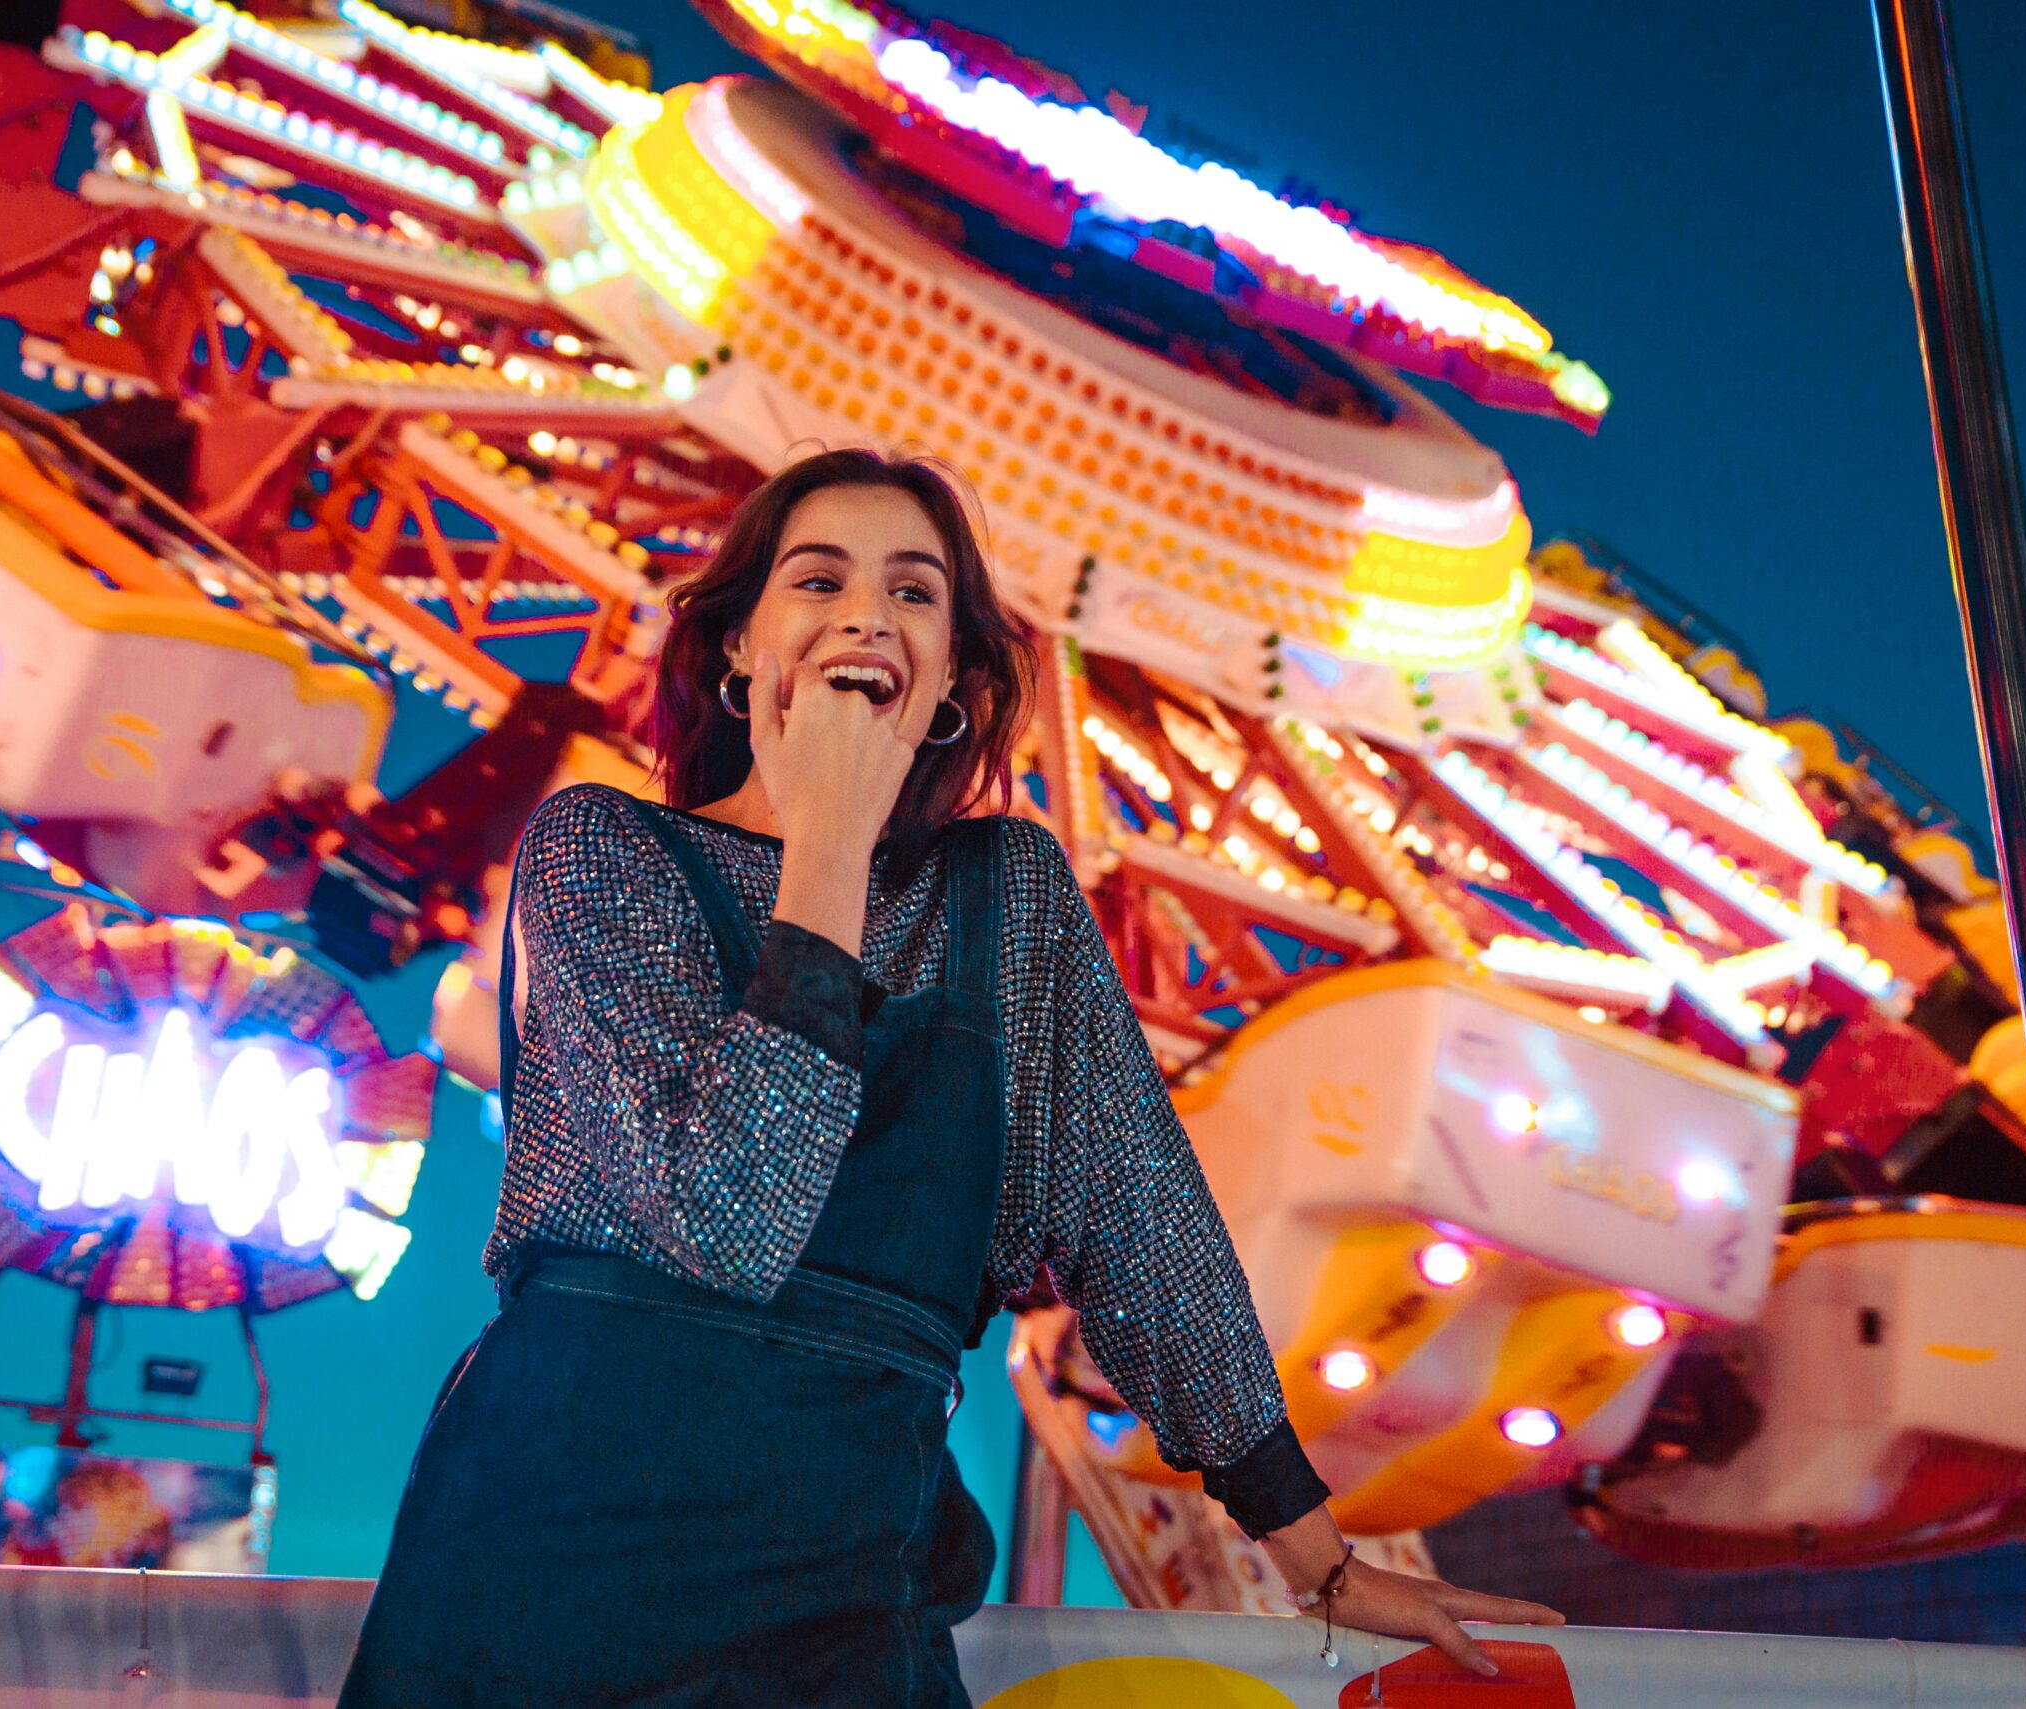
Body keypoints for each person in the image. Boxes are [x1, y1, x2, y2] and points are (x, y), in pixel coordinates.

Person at [336, 447, 1562, 1707]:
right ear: (738, 650)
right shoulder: (602, 848)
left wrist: (1317, 1557)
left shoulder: (1007, 896)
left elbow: (1144, 1231)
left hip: (844, 1557)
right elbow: (727, 1216)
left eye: (914, 591)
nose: (866, 611)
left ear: (956, 687)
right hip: (544, 1542)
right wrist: (827, 842)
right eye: (816, 578)